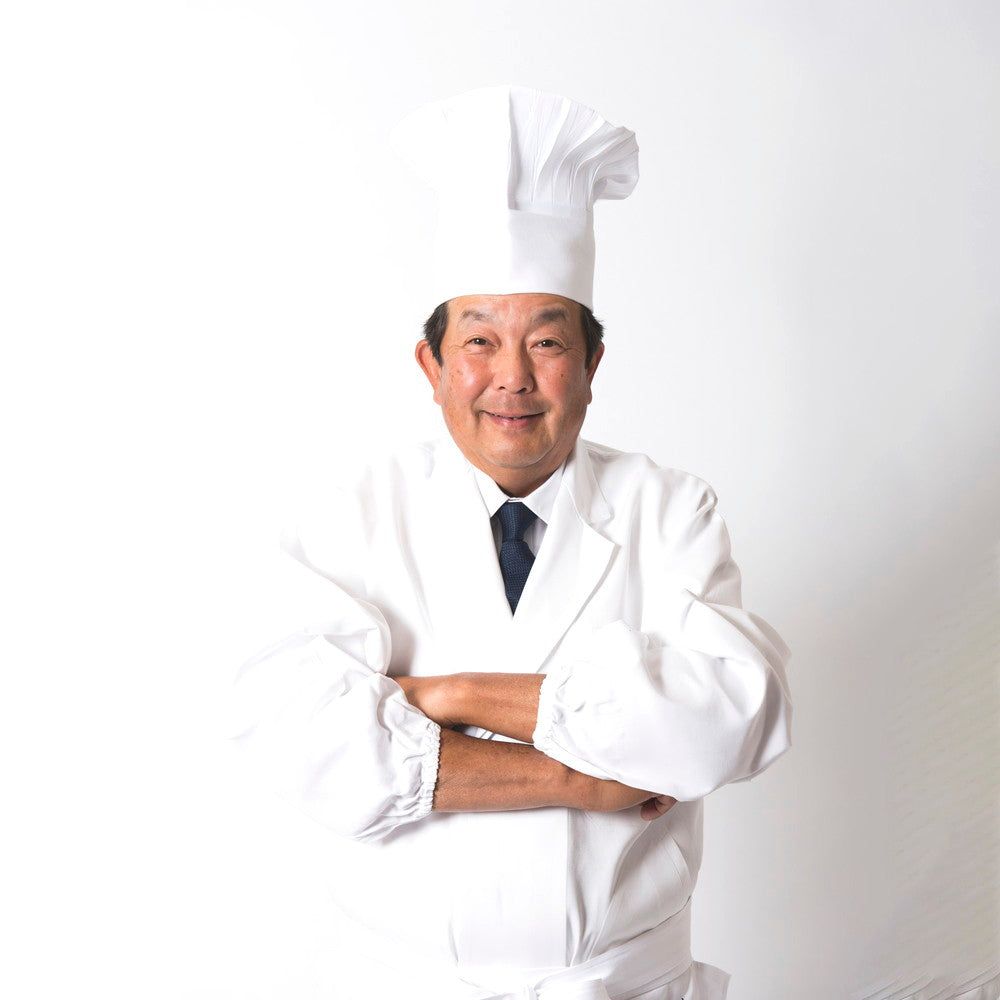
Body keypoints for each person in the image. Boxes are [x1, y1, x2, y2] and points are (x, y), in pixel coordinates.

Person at [228, 85, 792, 1000]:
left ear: (593, 363)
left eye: (548, 343)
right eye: (480, 341)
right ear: (432, 365)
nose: (513, 379)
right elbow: (304, 738)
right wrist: (578, 778)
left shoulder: (669, 509)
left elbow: (733, 719)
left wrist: (447, 695)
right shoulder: (350, 514)